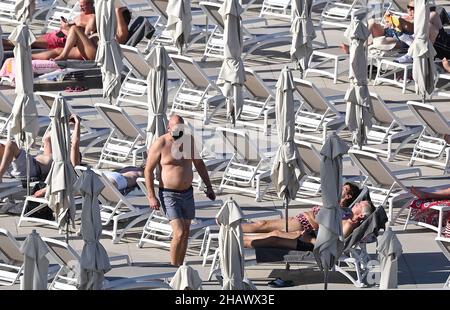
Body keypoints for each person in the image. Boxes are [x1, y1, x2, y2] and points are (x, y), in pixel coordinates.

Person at [144, 115, 216, 266]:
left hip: (188, 193)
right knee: (179, 232)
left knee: (186, 233)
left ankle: (180, 267)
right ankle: (174, 268)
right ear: (169, 128)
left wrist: (209, 186)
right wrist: (151, 196)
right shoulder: (160, 143)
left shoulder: (188, 141)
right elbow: (148, 171)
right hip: (169, 195)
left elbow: (199, 164)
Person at [243, 200, 375, 250]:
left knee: (273, 238)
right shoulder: (347, 216)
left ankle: (237, 242)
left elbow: (332, 246)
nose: (356, 203)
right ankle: (236, 237)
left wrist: (309, 239)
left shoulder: (349, 225)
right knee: (274, 234)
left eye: (359, 205)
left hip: (311, 242)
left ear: (362, 215)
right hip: (309, 233)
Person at [242, 182, 361, 234]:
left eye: (344, 189)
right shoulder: (333, 203)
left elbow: (322, 223)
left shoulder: (341, 212)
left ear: (348, 196)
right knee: (261, 225)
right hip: (299, 220)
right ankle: (236, 228)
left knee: (261, 225)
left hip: (303, 225)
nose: (340, 188)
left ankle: (233, 228)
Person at [0, 114, 81, 184]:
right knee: (1, 147)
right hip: (27, 165)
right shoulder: (54, 156)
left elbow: (75, 144)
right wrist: (63, 122)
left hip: (31, 169)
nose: (68, 145)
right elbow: (47, 138)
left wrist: (77, 123)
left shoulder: (71, 162)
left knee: (11, 144)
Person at [32, 6, 131, 61]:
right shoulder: (110, 29)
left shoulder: (122, 33)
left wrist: (118, 10)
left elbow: (117, 10)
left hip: (96, 54)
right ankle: (29, 58)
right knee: (57, 51)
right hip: (89, 47)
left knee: (75, 29)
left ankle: (64, 56)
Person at [3, 0, 96, 51]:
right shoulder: (81, 14)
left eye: (83, 6)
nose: (81, 8)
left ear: (91, 4)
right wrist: (66, 24)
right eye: (80, 5)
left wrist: (68, 29)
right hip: (56, 35)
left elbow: (85, 38)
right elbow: (73, 26)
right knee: (29, 44)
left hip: (61, 40)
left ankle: (3, 43)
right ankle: (3, 44)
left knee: (27, 42)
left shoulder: (92, 18)